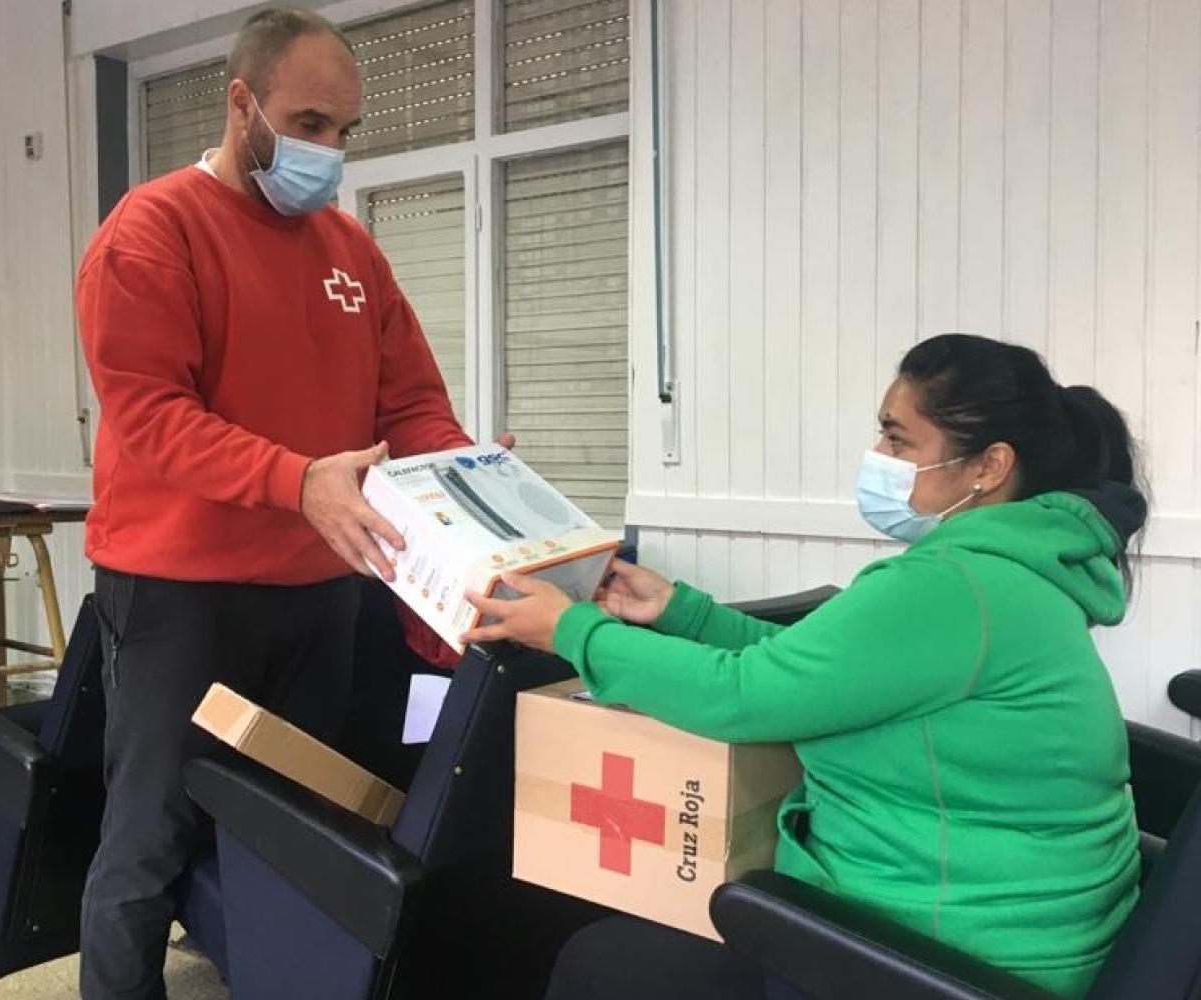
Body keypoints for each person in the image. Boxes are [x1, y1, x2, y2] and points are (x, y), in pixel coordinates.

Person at [464, 333, 1148, 1000]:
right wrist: (682, 613)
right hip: (1018, 932)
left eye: (899, 440)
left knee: (599, 964)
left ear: (987, 467)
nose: (878, 457)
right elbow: (812, 671)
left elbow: (744, 695)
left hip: (948, 954)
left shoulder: (951, 587)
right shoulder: (1007, 575)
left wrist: (571, 631)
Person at [75, 9, 508, 998]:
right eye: (308, 122)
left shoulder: (350, 250)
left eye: (343, 131)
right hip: (180, 597)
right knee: (148, 835)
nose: (329, 150)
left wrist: (473, 479)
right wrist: (298, 479)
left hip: (320, 593)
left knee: (298, 828)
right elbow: (151, 417)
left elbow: (410, 402)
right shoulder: (152, 234)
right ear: (241, 103)